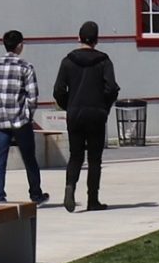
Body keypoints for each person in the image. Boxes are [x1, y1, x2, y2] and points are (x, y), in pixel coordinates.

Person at [51, 19, 120, 212]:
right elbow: (112, 88)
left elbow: (58, 90)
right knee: (95, 159)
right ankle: (93, 200)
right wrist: (105, 107)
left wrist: (68, 106)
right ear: (97, 40)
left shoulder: (67, 61)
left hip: (75, 113)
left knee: (75, 155)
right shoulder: (104, 61)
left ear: (78, 37)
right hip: (97, 113)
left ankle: (70, 186)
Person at [0, 30, 51, 204]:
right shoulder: (25, 67)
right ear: (20, 45)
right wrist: (27, 114)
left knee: (0, 159)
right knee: (29, 158)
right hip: (20, 120)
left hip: (0, 120)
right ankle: (35, 194)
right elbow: (32, 96)